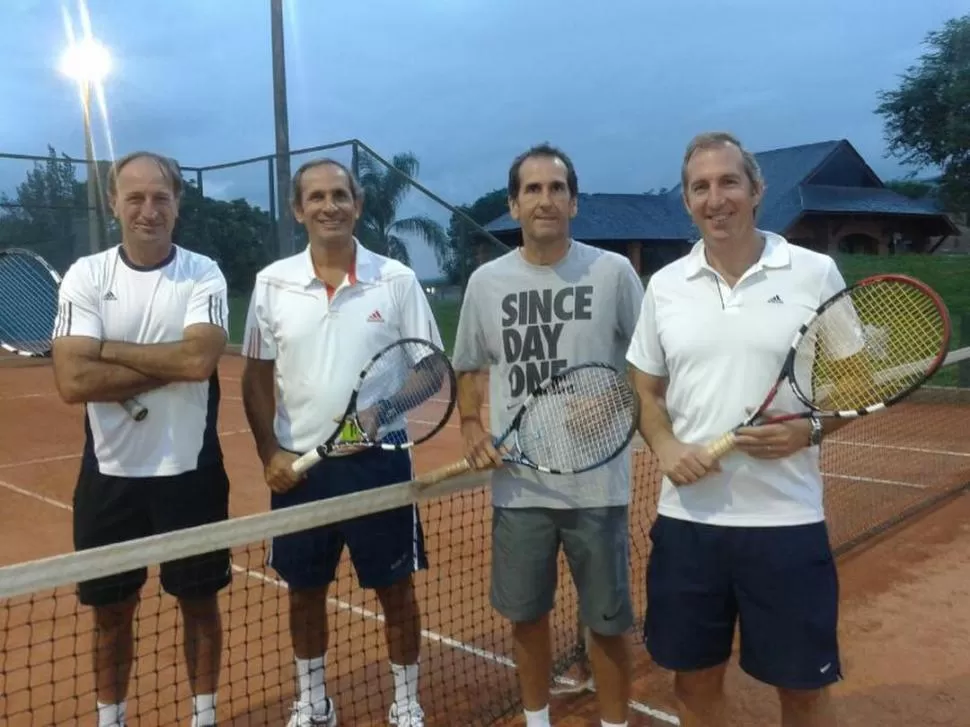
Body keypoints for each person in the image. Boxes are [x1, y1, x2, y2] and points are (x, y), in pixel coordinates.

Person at [626, 131, 851, 727]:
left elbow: (855, 382)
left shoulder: (815, 272)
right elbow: (645, 389)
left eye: (728, 182)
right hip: (688, 526)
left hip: (786, 523)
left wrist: (812, 428)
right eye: (700, 186)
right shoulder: (666, 286)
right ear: (686, 201)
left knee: (803, 692)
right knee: (693, 688)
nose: (715, 197)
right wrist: (668, 444)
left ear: (757, 191)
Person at [240, 158, 440, 727]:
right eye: (317, 197)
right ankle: (313, 701)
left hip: (378, 466)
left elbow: (429, 370)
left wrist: (384, 411)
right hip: (301, 471)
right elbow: (255, 375)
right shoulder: (271, 283)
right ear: (299, 210)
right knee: (303, 592)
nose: (330, 206)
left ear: (357, 204)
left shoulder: (396, 280)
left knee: (395, 590)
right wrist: (269, 454)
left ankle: (405, 703)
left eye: (341, 195)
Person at [451, 143, 644, 727]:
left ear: (574, 202)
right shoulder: (486, 283)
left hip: (598, 490)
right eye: (532, 190)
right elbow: (468, 367)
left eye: (556, 188)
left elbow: (648, 367)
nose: (545, 199)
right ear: (513, 204)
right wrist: (470, 426)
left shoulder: (613, 273)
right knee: (527, 619)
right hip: (520, 490)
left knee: (607, 626)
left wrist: (613, 398)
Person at [51, 151, 232, 727]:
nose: (148, 210)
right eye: (135, 198)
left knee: (199, 603)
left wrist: (103, 347)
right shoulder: (87, 274)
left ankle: (203, 716)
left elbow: (202, 358)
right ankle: (113, 719)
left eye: (160, 197)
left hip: (191, 472)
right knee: (111, 611)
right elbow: (73, 380)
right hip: (109, 478)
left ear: (177, 204)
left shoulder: (203, 273)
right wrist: (173, 363)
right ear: (114, 204)